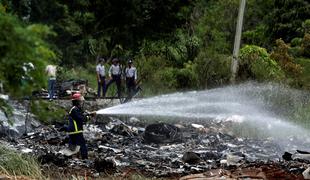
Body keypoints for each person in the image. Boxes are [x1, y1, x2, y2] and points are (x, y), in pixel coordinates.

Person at [64, 93, 95, 159]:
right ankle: (85, 159)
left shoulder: (75, 109)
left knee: (72, 145)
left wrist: (89, 114)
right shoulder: (74, 110)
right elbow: (81, 119)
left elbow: (82, 114)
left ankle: (68, 158)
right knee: (82, 144)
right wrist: (90, 117)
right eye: (81, 102)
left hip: (73, 131)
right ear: (77, 102)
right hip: (76, 131)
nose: (82, 103)